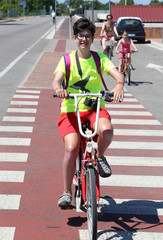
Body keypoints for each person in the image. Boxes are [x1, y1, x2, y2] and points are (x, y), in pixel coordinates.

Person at [52, 17, 124, 208]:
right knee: (71, 148)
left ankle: (99, 156)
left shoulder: (100, 58)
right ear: (75, 38)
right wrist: (59, 88)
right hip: (70, 111)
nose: (84, 39)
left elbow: (117, 74)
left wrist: (119, 85)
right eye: (80, 35)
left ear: (92, 38)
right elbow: (56, 80)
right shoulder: (66, 60)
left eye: (88, 36)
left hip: (94, 109)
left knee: (107, 131)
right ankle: (66, 192)